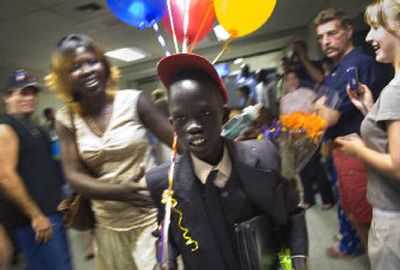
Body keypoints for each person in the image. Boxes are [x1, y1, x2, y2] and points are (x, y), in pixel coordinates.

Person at [146, 53, 308, 270]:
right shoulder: (164, 183)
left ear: (223, 116)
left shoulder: (264, 157)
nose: (193, 126)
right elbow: (166, 232)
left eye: (204, 113)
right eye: (181, 118)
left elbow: (291, 215)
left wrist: (296, 262)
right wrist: (166, 260)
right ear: (172, 124)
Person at [46, 34, 175, 270]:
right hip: (107, 227)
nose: (87, 70)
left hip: (150, 220)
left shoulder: (134, 101)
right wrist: (119, 192)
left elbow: (179, 145)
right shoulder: (66, 119)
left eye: (92, 61)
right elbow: (74, 176)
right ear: (64, 78)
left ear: (104, 65)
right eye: (75, 67)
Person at [313, 8, 387, 256]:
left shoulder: (357, 64)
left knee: (367, 218)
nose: (325, 41)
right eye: (321, 37)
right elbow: (319, 111)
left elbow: (328, 117)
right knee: (354, 211)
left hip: (360, 151)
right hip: (343, 153)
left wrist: (319, 109)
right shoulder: (337, 69)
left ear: (348, 31)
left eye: (331, 33)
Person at [335, 1, 400, 268]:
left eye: (376, 28)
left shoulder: (396, 90)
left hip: (393, 220)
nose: (370, 36)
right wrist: (369, 108)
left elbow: (397, 166)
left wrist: (357, 149)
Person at [0, 70, 73, 270]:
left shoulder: (35, 127)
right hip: (36, 222)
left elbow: (43, 171)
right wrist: (35, 216)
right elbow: (5, 176)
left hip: (52, 215)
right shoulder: (6, 128)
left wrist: (61, 202)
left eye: (32, 93)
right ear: (7, 96)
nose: (30, 98)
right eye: (22, 93)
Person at [280, 71, 335, 209]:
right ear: (285, 83)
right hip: (295, 137)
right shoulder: (283, 99)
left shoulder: (308, 92)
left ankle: (328, 198)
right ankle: (308, 199)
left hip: (311, 134)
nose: (292, 81)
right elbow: (283, 119)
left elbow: (318, 111)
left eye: (294, 77)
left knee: (317, 167)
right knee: (301, 168)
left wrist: (310, 124)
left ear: (298, 79)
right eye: (289, 79)